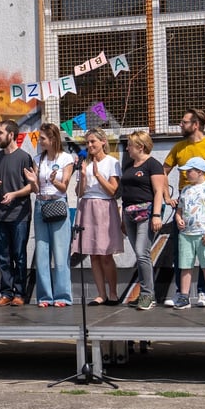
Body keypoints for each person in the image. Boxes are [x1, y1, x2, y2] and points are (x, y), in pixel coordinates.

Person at [163, 108, 205, 307]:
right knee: (181, 254)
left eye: (184, 122)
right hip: (184, 202)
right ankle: (182, 293)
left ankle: (204, 293)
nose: (180, 125)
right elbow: (163, 171)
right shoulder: (179, 147)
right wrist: (167, 196)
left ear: (195, 125)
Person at [72, 127, 124, 306]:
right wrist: (84, 176)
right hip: (86, 206)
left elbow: (113, 191)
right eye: (87, 142)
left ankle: (113, 292)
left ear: (103, 142)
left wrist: (97, 175)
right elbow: (78, 192)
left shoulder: (112, 162)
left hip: (104, 207)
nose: (89, 145)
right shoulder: (85, 162)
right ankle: (101, 294)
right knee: (93, 255)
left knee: (105, 254)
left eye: (93, 141)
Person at [24, 123, 74, 307]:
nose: (40, 141)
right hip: (41, 204)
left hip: (58, 203)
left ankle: (62, 296)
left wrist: (55, 180)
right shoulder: (38, 159)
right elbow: (36, 189)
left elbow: (65, 187)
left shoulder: (66, 158)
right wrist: (32, 181)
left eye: (43, 138)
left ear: (53, 139)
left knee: (60, 253)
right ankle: (45, 297)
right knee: (42, 252)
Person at [119, 130, 166, 311]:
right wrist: (123, 217)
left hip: (146, 213)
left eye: (130, 144)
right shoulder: (130, 165)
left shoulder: (153, 165)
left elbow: (158, 192)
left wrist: (156, 215)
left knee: (142, 253)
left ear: (140, 146)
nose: (128, 148)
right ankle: (144, 294)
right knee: (139, 255)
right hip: (129, 213)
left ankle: (148, 295)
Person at [0, 119, 34, 307]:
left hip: (19, 214)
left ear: (11, 135)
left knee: (19, 255)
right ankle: (6, 292)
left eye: (0, 133)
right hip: (0, 213)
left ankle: (20, 294)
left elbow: (32, 186)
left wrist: (14, 194)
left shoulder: (24, 157)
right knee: (4, 256)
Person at [173, 157, 205, 310]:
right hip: (186, 234)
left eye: (190, 171)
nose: (186, 174)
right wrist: (178, 219)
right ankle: (184, 296)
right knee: (185, 266)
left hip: (203, 233)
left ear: (200, 172)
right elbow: (179, 210)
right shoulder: (186, 190)